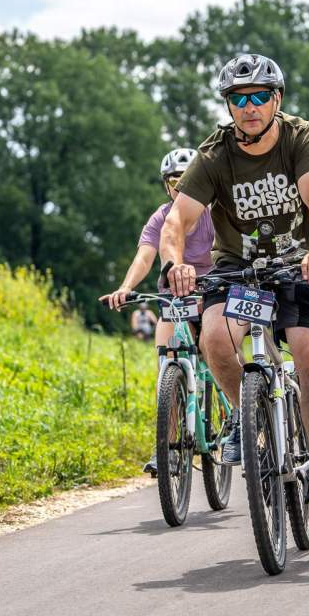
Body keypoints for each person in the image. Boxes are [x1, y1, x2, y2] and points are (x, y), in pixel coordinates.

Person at [159, 53, 309, 513]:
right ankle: (249, 417)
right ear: (228, 106)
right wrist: (173, 264)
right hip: (238, 271)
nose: (250, 107)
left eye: (260, 96)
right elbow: (176, 221)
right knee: (217, 343)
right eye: (239, 99)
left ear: (276, 99)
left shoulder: (300, 138)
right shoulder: (215, 154)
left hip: (301, 266)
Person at [100, 147, 214, 473]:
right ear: (167, 185)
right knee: (166, 360)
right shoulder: (161, 217)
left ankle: (234, 415)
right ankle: (166, 446)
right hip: (174, 298)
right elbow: (145, 257)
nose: (180, 188)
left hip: (211, 292)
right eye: (174, 181)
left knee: (214, 345)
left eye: (186, 180)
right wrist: (125, 287)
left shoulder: (211, 214)